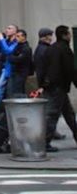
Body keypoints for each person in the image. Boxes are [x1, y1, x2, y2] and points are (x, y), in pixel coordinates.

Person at [40, 24, 77, 152]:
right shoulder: (65, 50)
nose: (70, 36)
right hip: (59, 86)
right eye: (69, 34)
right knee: (53, 114)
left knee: (69, 113)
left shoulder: (51, 49)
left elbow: (42, 67)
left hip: (52, 86)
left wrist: (42, 84)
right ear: (64, 35)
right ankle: (44, 142)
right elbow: (70, 70)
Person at [8, 29, 33, 97]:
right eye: (16, 36)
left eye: (18, 36)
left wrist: (11, 57)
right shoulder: (17, 46)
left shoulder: (26, 48)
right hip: (16, 72)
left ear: (24, 37)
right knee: (15, 90)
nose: (16, 38)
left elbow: (19, 59)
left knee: (19, 92)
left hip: (21, 73)